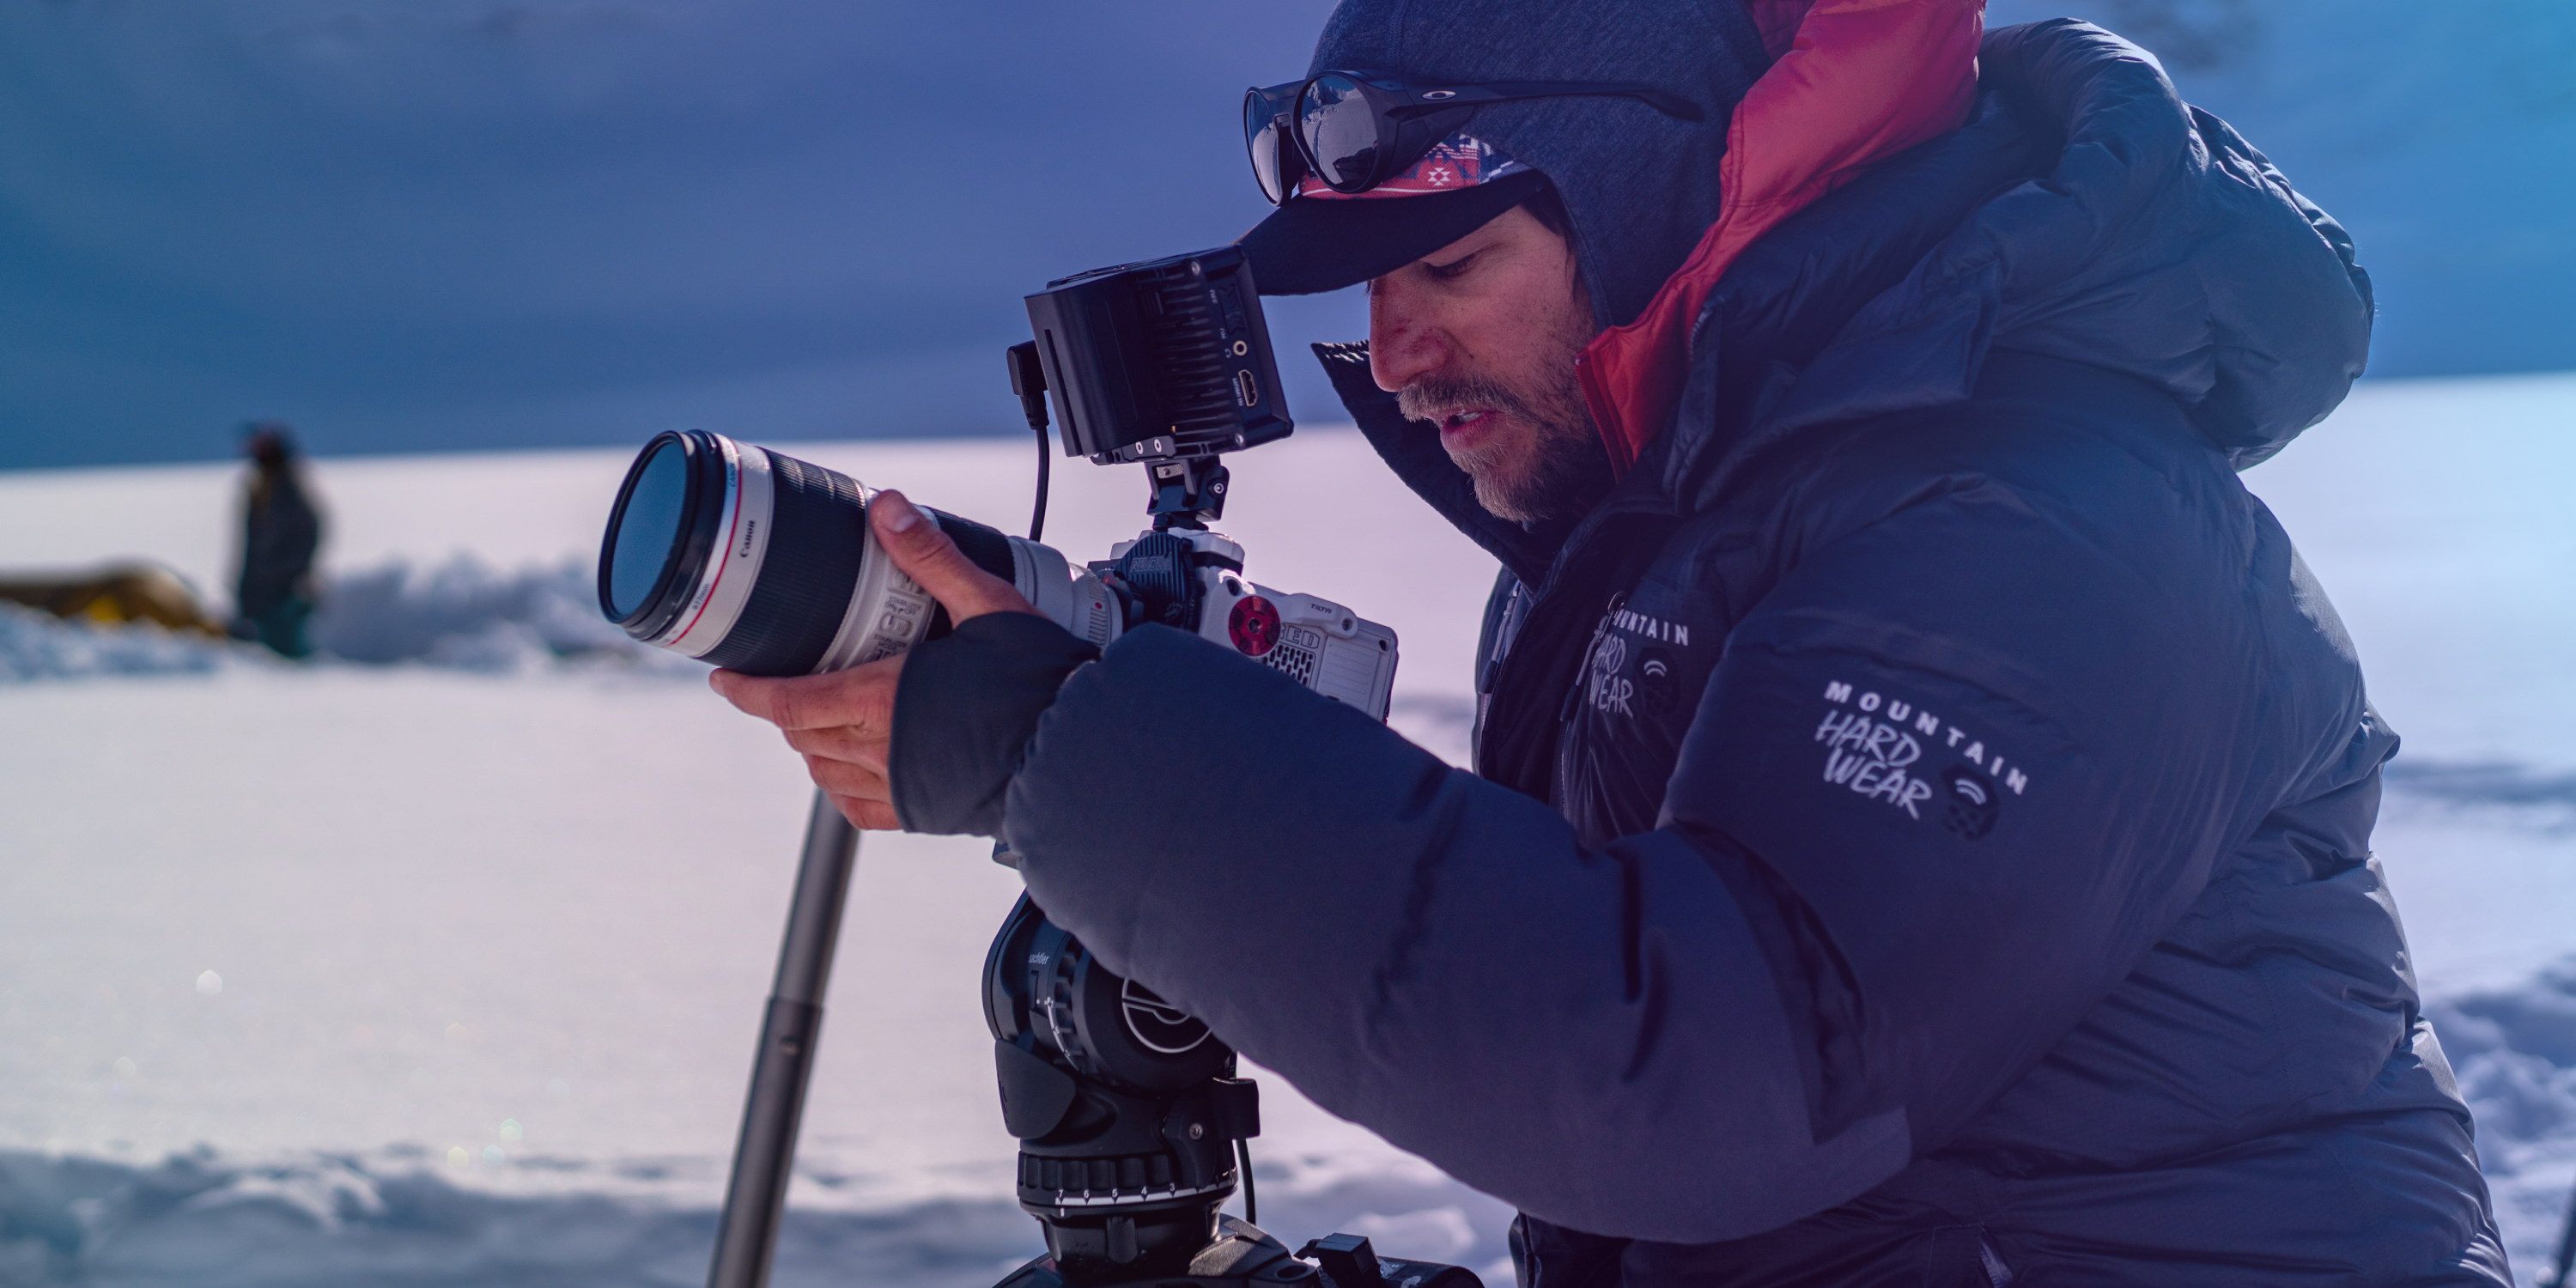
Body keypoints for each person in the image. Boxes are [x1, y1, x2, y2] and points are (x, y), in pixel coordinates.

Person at [713, 3, 2511, 1283]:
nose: (1392, 357)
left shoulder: (2041, 523)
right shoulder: (1666, 529)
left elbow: (1712, 1078)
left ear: (1656, 210)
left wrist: (1072, 759)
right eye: (1367, 290)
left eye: (1449, 267)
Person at [231, 422, 324, 658]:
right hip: (259, 597)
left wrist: (290, 577)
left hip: (284, 595)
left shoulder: (290, 490)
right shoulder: (260, 490)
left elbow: (307, 536)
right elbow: (250, 550)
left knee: (289, 659)